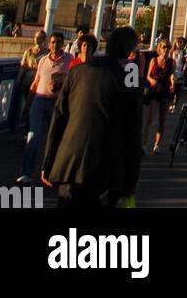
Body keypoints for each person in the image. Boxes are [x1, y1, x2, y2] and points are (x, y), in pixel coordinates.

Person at [40, 26, 143, 210]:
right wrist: (131, 179)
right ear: (130, 50)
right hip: (106, 170)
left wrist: (48, 163)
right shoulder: (130, 77)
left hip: (69, 165)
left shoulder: (78, 70)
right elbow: (133, 130)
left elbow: (59, 118)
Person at [17, 32, 72, 182]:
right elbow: (36, 82)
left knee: (54, 139)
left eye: (59, 42)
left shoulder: (69, 60)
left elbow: (73, 81)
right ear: (49, 44)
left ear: (63, 44)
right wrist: (28, 104)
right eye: (53, 42)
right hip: (40, 101)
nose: (55, 45)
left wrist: (61, 84)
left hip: (57, 103)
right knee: (33, 137)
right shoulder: (42, 61)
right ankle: (26, 172)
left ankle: (48, 171)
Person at [9, 30, 46, 134]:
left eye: (39, 37)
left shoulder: (46, 53)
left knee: (34, 107)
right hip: (27, 82)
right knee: (27, 106)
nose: (37, 39)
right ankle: (26, 130)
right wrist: (18, 79)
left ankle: (31, 130)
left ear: (43, 39)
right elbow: (23, 67)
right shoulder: (28, 52)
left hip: (39, 84)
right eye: (36, 37)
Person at [143, 39, 175, 153]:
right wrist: (152, 80)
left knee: (162, 119)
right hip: (154, 91)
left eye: (168, 47)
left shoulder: (172, 62)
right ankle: (144, 144)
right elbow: (148, 76)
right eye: (164, 47)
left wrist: (173, 81)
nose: (166, 49)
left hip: (165, 91)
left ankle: (156, 145)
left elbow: (172, 74)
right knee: (149, 119)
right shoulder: (153, 60)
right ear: (159, 48)